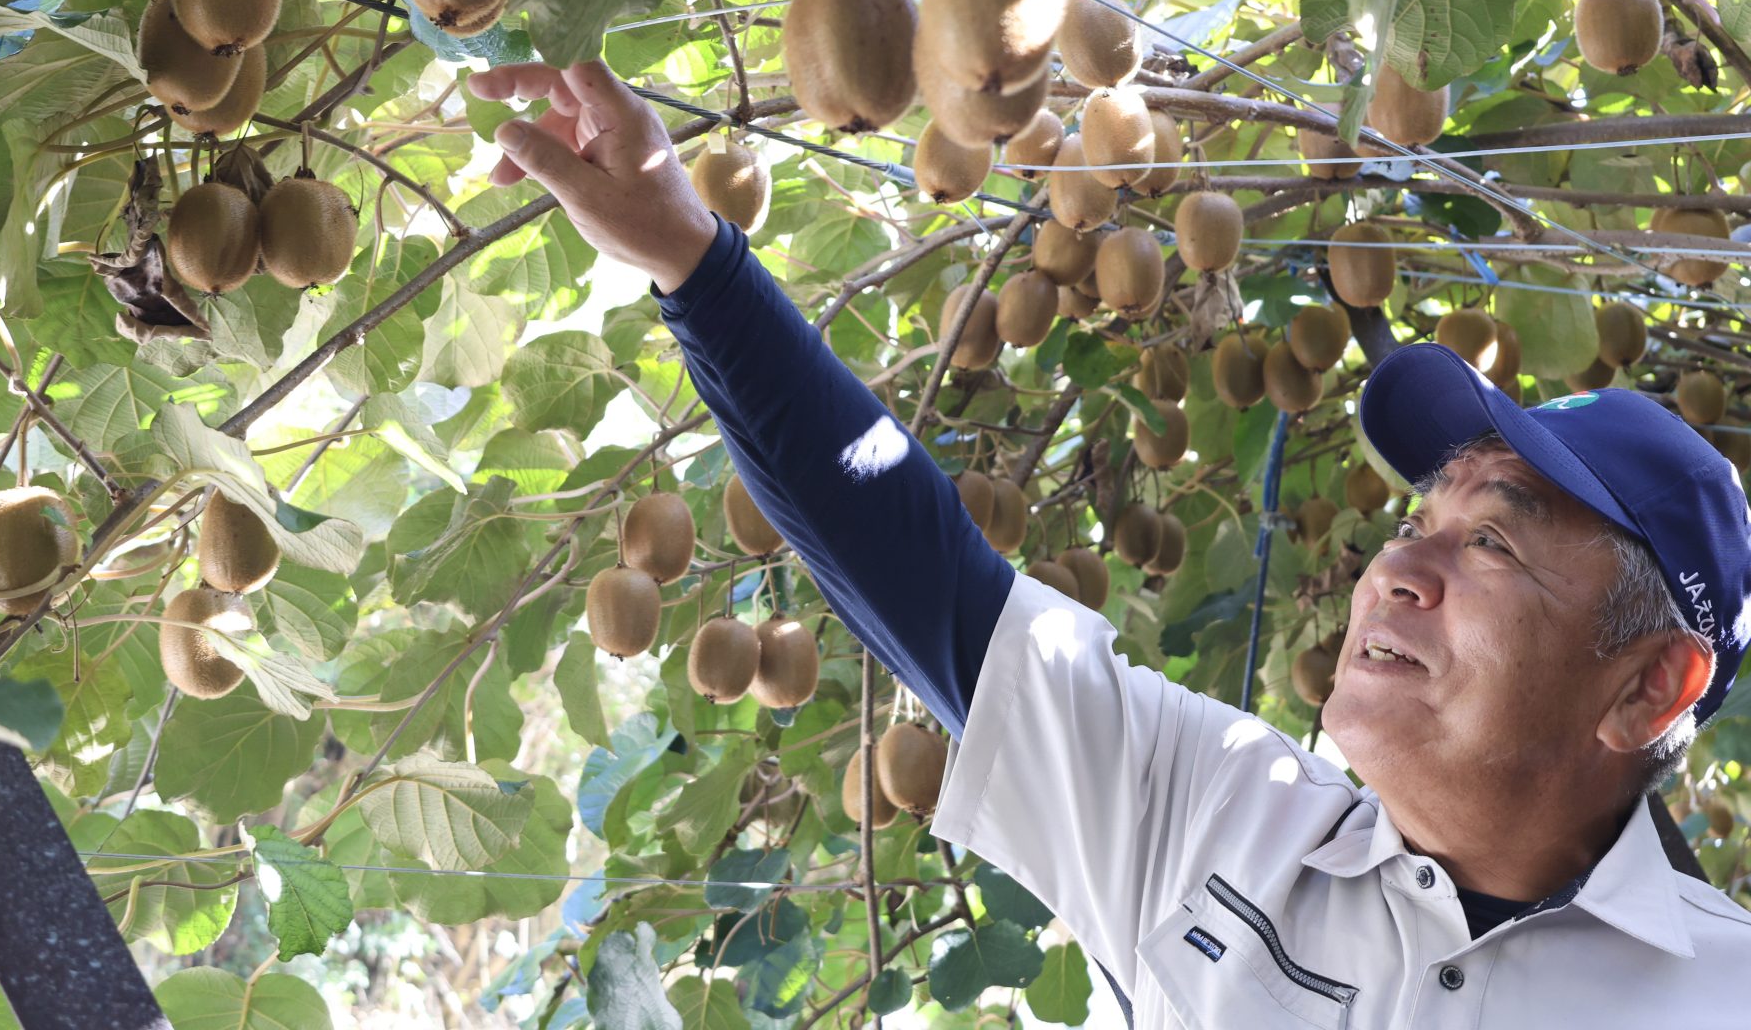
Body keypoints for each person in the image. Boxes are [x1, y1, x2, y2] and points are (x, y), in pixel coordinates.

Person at [465, 59, 1751, 1027]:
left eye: (1496, 545)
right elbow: (919, 566)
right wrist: (693, 261)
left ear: (1650, 684)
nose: (1398, 571)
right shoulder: (1216, 814)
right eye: (1419, 521)